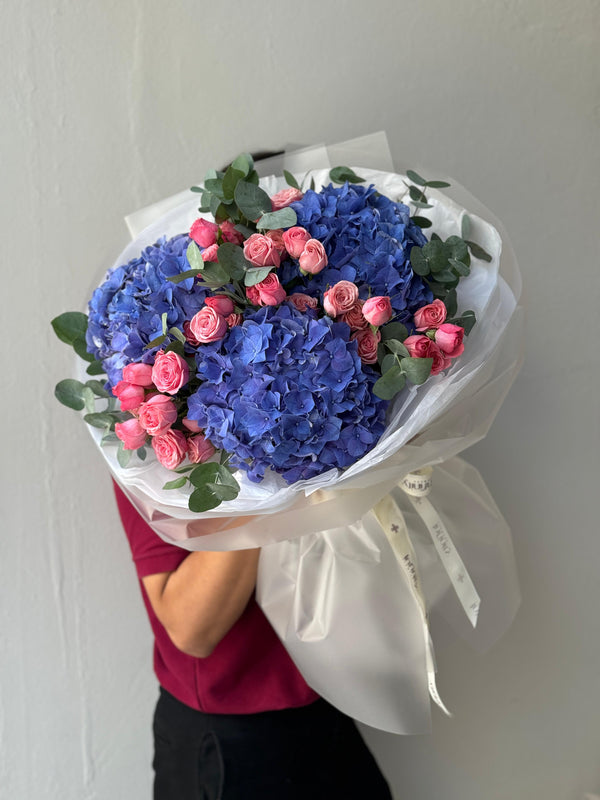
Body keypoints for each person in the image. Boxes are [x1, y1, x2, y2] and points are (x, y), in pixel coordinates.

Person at [113, 481, 394, 799]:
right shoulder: (145, 440)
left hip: (327, 694)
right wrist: (275, 474)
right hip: (228, 732)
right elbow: (191, 629)